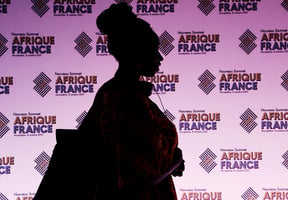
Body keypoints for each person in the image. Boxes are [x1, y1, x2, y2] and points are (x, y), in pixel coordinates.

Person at [34, 2, 184, 200]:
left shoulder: (118, 92)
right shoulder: (125, 98)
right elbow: (141, 175)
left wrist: (170, 158)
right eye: (154, 50)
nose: (160, 58)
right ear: (138, 55)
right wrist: (175, 160)